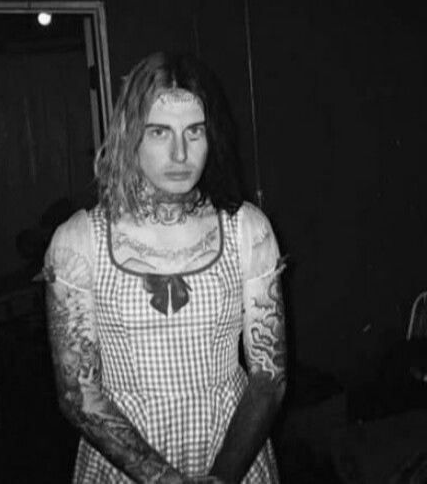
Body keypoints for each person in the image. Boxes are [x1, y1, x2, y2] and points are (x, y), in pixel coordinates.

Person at [43, 51, 287, 483]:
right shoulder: (78, 241)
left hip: (232, 448)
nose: (180, 153)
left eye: (195, 131)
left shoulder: (248, 229)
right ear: (130, 134)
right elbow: (78, 394)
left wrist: (221, 478)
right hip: (124, 459)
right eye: (159, 132)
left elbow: (268, 378)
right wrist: (163, 478)